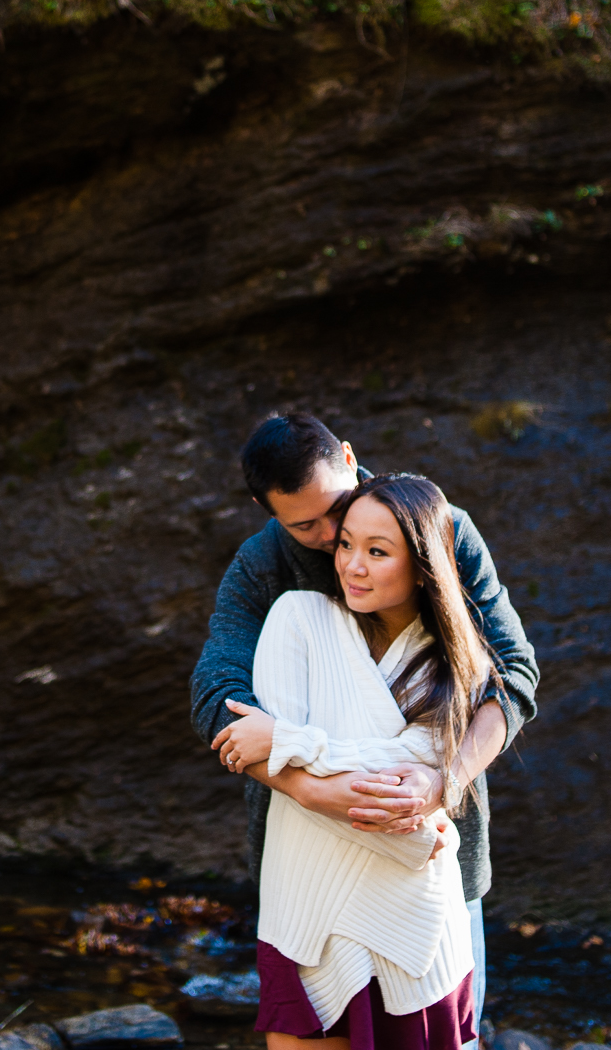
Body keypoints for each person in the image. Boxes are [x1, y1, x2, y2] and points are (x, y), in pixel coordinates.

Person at [189, 414, 539, 1045]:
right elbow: (218, 697)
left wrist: (443, 781)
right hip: (308, 854)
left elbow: (511, 674)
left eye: (339, 515)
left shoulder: (440, 526)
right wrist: (310, 789)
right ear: (264, 509)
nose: (332, 544)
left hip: (428, 841)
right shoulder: (263, 566)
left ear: (349, 458)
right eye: (306, 526)